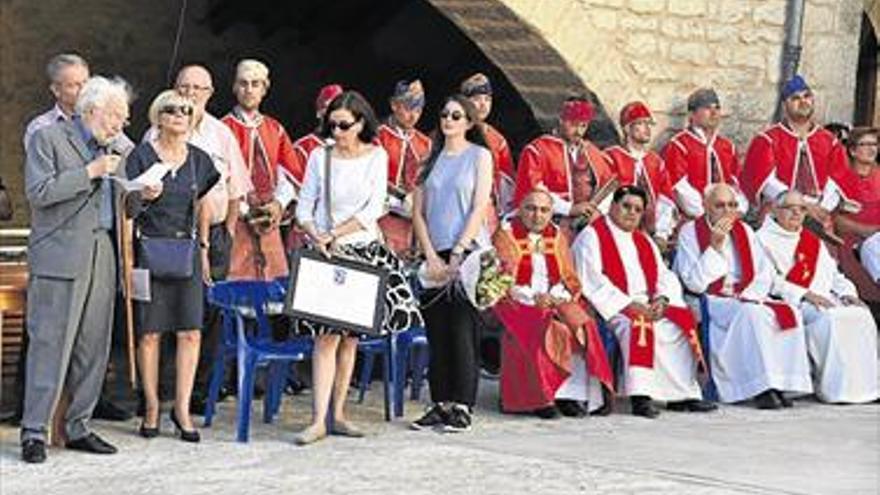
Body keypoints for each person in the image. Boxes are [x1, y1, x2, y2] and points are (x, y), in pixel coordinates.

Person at [294, 90, 422, 445]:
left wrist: (336, 232)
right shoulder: (320, 157)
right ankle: (318, 418)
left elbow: (372, 209)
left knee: (349, 339)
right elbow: (304, 205)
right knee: (324, 339)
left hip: (362, 250)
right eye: (332, 125)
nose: (337, 132)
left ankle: (338, 413)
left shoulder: (376, 156)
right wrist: (315, 233)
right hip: (326, 253)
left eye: (344, 125)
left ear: (361, 123)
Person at [21, 75, 134, 463]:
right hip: (58, 252)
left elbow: (128, 207)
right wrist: (90, 171)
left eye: (124, 116)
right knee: (50, 343)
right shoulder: (47, 139)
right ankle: (34, 431)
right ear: (91, 110)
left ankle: (79, 426)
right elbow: (39, 193)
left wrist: (144, 193)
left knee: (93, 344)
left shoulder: (119, 149)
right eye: (116, 115)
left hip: (102, 249)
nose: (121, 123)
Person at [143, 64, 252, 414]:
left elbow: (236, 188)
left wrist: (230, 231)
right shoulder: (153, 135)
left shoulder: (220, 134)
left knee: (208, 314)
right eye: (184, 87)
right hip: (162, 239)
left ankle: (201, 392)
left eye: (198, 89)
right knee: (159, 318)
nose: (189, 95)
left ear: (209, 94)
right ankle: (161, 393)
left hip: (214, 235)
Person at [126, 90, 220, 443]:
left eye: (186, 110)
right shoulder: (141, 157)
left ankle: (181, 408)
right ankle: (151, 405)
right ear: (157, 116)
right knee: (150, 333)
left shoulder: (200, 160)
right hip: (149, 249)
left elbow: (203, 207)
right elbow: (125, 207)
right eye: (171, 109)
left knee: (190, 332)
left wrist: (206, 248)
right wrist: (140, 196)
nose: (180, 114)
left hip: (187, 252)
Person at [573, 186, 715, 417]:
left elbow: (664, 275)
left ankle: (681, 395)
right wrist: (628, 305)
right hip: (613, 308)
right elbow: (592, 280)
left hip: (648, 303)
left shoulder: (644, 240)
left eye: (638, 209)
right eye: (626, 206)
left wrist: (662, 299)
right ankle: (641, 397)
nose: (631, 213)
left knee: (680, 322)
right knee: (639, 326)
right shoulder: (591, 236)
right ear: (612, 207)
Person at [673, 184, 812, 409]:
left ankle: (780, 383)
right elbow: (694, 283)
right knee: (752, 315)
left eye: (732, 205)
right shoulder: (690, 232)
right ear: (705, 206)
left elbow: (764, 272)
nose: (727, 211)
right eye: (720, 205)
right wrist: (714, 247)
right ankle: (759, 387)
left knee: (789, 312)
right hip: (711, 298)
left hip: (746, 294)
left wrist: (750, 294)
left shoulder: (745, 231)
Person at [492, 186, 613, 419]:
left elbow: (568, 275)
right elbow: (502, 278)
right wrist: (533, 297)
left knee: (582, 325)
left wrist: (556, 295)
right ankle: (541, 398)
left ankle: (568, 395)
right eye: (531, 209)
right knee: (546, 326)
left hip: (554, 297)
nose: (537, 215)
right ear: (520, 210)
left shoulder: (557, 236)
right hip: (517, 301)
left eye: (544, 210)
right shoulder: (505, 234)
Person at [410, 94, 494, 432]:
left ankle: (462, 403)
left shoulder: (479, 156)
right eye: (445, 114)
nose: (449, 120)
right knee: (437, 329)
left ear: (469, 122)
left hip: (467, 250)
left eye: (457, 115)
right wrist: (431, 254)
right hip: (435, 251)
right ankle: (440, 400)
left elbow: (479, 205)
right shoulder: (429, 159)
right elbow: (418, 211)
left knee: (462, 329)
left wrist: (459, 250)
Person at [757, 191, 878, 403]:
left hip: (828, 298)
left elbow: (835, 275)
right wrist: (805, 294)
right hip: (795, 302)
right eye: (790, 208)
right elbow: (769, 280)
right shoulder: (761, 239)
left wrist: (849, 294)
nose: (796, 212)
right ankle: (836, 390)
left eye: (802, 209)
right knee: (830, 320)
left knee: (862, 315)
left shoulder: (812, 240)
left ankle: (866, 389)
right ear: (775, 210)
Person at [741, 76, 858, 222]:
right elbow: (766, 183)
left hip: (820, 213)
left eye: (807, 96)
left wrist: (823, 208)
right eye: (795, 98)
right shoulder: (766, 140)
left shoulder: (830, 141)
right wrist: (802, 206)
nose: (803, 101)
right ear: (784, 105)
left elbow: (837, 180)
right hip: (779, 211)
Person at [223, 59, 300, 280]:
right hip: (236, 219)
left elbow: (288, 174)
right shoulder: (223, 129)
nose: (249, 90)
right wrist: (247, 211)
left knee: (273, 292)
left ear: (264, 89)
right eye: (243, 83)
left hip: (270, 220)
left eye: (255, 84)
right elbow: (219, 179)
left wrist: (278, 205)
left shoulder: (275, 129)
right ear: (235, 88)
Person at [514, 97, 617, 234]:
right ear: (561, 120)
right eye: (574, 124)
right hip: (548, 224)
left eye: (583, 126)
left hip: (588, 227)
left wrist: (597, 211)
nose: (579, 131)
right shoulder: (537, 150)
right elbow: (532, 190)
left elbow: (610, 186)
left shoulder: (591, 151)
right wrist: (569, 209)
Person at [662, 88, 747, 219]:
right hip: (693, 219)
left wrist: (737, 210)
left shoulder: (727, 147)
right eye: (707, 108)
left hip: (728, 218)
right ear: (692, 114)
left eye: (717, 108)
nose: (714, 113)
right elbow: (679, 187)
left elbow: (738, 183)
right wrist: (705, 213)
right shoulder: (679, 145)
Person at [605, 101, 677, 249]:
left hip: (649, 232)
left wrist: (661, 234)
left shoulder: (655, 161)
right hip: (618, 231)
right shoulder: (612, 156)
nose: (647, 129)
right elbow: (605, 197)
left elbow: (666, 199)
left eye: (648, 124)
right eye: (641, 124)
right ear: (627, 128)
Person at [376, 79, 432, 256]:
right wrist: (401, 196)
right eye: (408, 108)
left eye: (418, 109)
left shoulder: (426, 143)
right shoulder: (378, 136)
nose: (413, 115)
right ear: (394, 104)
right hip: (382, 216)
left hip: (413, 224)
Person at [285, 83, 343, 251]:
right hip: (307, 233)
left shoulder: (354, 149)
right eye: (329, 108)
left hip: (342, 233)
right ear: (319, 112)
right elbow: (294, 193)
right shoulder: (302, 148)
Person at [461, 72, 516, 216]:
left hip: (487, 211)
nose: (483, 104)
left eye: (487, 99)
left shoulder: (497, 141)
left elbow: (506, 186)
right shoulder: (447, 133)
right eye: (477, 99)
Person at [835, 127, 880, 290]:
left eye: (874, 144)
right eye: (865, 144)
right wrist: (866, 230)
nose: (872, 148)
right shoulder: (839, 180)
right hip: (852, 245)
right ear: (853, 151)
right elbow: (834, 219)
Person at [23, 53, 90, 151]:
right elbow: (40, 166)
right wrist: (91, 167)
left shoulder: (105, 120)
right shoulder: (40, 127)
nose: (83, 90)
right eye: (74, 85)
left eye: (86, 82)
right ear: (56, 90)